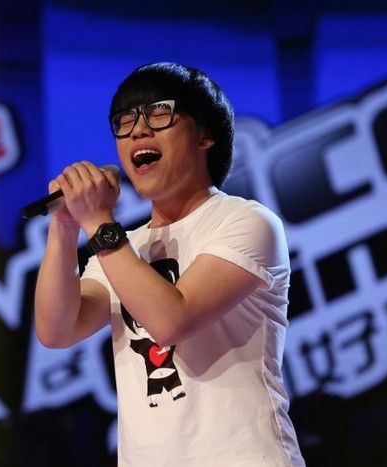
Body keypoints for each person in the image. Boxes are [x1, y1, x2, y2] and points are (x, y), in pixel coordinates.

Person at [34, 62, 305, 466]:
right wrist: (65, 225)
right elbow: (57, 330)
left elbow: (171, 321)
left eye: (159, 114)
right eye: (124, 122)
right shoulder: (124, 246)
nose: (137, 132)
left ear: (205, 135)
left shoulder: (246, 221)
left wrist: (98, 222)